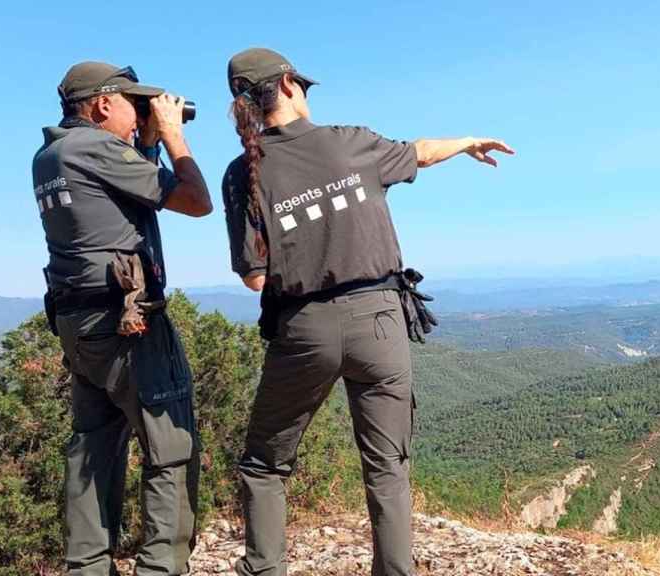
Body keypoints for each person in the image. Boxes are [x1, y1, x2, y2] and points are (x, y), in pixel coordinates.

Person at [221, 47, 514, 576]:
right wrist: (468, 142)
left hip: (303, 327)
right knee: (387, 467)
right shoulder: (350, 143)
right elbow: (420, 152)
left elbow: (254, 276)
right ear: (288, 85)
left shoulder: (244, 173)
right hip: (380, 320)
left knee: (265, 465)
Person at [32, 61, 212, 576]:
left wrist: (146, 143)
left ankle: (88, 565)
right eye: (134, 106)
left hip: (79, 325)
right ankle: (162, 566)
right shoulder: (95, 148)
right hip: (129, 325)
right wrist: (174, 139)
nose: (140, 117)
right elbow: (195, 202)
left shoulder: (50, 155)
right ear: (103, 103)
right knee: (170, 446)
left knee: (95, 446)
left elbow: (127, 198)